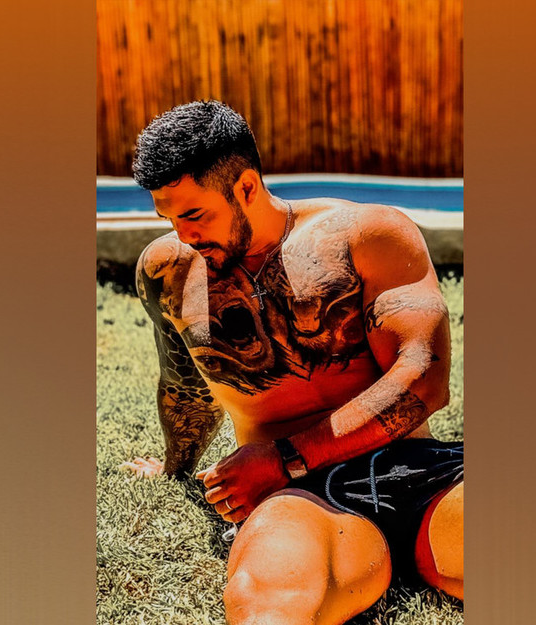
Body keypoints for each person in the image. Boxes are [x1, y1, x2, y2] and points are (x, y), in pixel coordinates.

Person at [122, 100, 463, 624]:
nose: (183, 234)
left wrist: (285, 457)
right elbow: (187, 383)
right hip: (300, 498)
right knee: (269, 602)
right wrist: (175, 467)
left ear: (246, 187)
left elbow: (423, 380)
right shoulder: (168, 270)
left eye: (193, 215)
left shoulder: (366, 235)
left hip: (419, 470)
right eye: (168, 218)